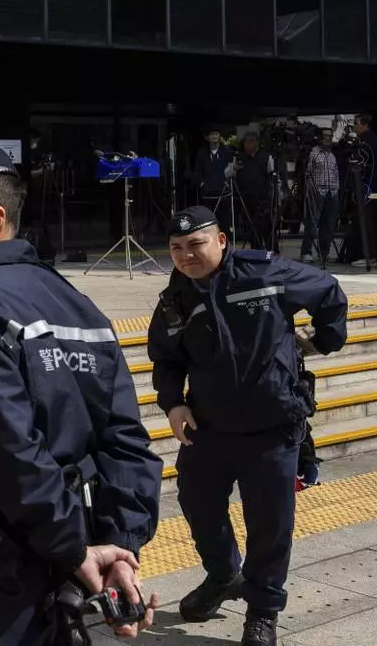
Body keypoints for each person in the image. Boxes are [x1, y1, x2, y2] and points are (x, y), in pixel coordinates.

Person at [0, 142, 163, 645]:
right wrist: (117, 544)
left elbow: (5, 452)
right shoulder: (79, 306)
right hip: (68, 577)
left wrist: (76, 550)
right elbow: (126, 439)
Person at [148, 206, 348, 646]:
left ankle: (262, 609)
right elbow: (165, 357)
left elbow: (328, 290)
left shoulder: (264, 272)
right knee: (199, 508)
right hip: (208, 427)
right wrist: (171, 404)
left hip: (271, 423)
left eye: (196, 244)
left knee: (270, 524)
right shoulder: (175, 297)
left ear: (221, 241)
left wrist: (324, 341)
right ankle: (223, 576)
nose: (186, 255)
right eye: (177, 249)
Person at [350, 114, 377, 269]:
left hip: (367, 186)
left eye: (356, 123)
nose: (354, 126)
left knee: (366, 221)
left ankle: (369, 255)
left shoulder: (365, 143)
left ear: (365, 125)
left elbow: (361, 164)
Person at [225, 132, 275, 250]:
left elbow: (272, 175)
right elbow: (227, 173)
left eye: (251, 142)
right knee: (250, 227)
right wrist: (234, 168)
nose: (248, 145)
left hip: (263, 198)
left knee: (266, 227)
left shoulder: (266, 156)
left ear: (256, 143)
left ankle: (270, 252)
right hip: (245, 198)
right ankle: (256, 251)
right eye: (246, 142)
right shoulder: (238, 157)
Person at [300, 128, 340, 267]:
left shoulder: (331, 155)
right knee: (312, 223)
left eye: (330, 136)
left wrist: (336, 189)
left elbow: (336, 174)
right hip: (318, 192)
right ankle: (307, 252)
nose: (328, 139)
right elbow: (308, 173)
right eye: (325, 136)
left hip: (332, 192)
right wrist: (312, 190)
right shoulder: (314, 153)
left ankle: (324, 253)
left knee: (328, 225)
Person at [189, 129, 233, 211]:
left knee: (224, 219)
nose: (214, 137)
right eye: (212, 134)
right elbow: (197, 171)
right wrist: (202, 183)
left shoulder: (227, 151)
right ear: (206, 137)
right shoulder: (202, 153)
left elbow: (231, 169)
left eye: (216, 134)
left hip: (223, 192)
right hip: (207, 193)